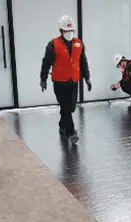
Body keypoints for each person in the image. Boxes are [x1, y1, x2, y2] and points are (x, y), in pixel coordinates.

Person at [40, 15, 92, 143]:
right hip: (59, 82)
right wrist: (43, 79)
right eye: (66, 31)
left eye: (71, 31)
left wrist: (87, 78)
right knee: (66, 106)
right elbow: (46, 62)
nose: (69, 33)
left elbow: (83, 62)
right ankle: (71, 132)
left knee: (70, 108)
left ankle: (62, 125)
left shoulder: (79, 44)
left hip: (74, 81)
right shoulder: (53, 45)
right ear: (61, 31)